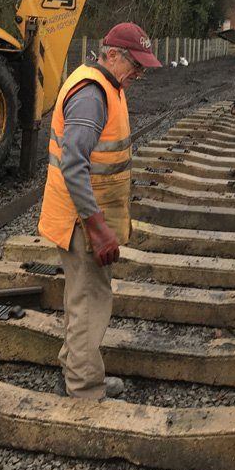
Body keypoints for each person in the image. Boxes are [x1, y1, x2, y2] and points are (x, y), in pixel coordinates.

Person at [38, 22, 162, 401]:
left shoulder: (108, 85)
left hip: (83, 215)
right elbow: (74, 164)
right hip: (81, 220)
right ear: (111, 55)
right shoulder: (93, 94)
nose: (139, 72)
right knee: (90, 302)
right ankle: (85, 389)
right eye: (135, 64)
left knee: (82, 298)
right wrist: (98, 228)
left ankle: (76, 368)